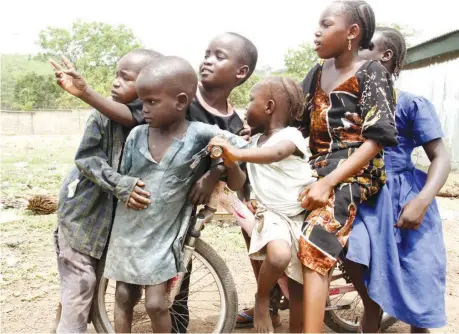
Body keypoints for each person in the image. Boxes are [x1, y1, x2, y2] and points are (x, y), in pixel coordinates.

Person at [102, 56, 249, 333]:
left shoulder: (199, 134)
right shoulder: (136, 135)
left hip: (164, 233)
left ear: (181, 102)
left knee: (157, 304)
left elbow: (239, 149)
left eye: (152, 102)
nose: (143, 109)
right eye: (142, 101)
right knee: (124, 296)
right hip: (129, 230)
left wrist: (214, 172)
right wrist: (125, 187)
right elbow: (123, 176)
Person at [295, 1, 398, 332]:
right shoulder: (316, 71)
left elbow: (377, 138)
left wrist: (328, 183)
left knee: (317, 238)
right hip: (314, 165)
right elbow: (297, 120)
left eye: (326, 24)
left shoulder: (371, 73)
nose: (317, 31)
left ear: (352, 33)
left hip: (353, 171)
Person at [344, 27, 451, 333]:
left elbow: (441, 157)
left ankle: (420, 327)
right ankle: (372, 308)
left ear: (385, 56)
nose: (355, 54)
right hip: (365, 195)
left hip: (405, 194)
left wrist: (421, 201)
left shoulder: (410, 103)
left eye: (364, 47)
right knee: (353, 251)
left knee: (419, 270)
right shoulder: (350, 105)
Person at [50, 49, 163, 333]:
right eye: (116, 75)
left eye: (126, 78)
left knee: (85, 288)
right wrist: (121, 184)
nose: (115, 82)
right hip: (84, 218)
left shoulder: (157, 126)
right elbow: (88, 159)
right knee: (81, 285)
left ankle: (62, 322)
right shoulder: (101, 117)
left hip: (118, 226)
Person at [210, 76, 315, 333]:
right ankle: (262, 298)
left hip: (302, 216)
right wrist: (232, 160)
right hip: (273, 215)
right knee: (279, 256)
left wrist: (237, 152)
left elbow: (276, 154)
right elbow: (240, 181)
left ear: (269, 107)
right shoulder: (254, 143)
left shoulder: (292, 136)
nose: (246, 109)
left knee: (298, 290)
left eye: (250, 101)